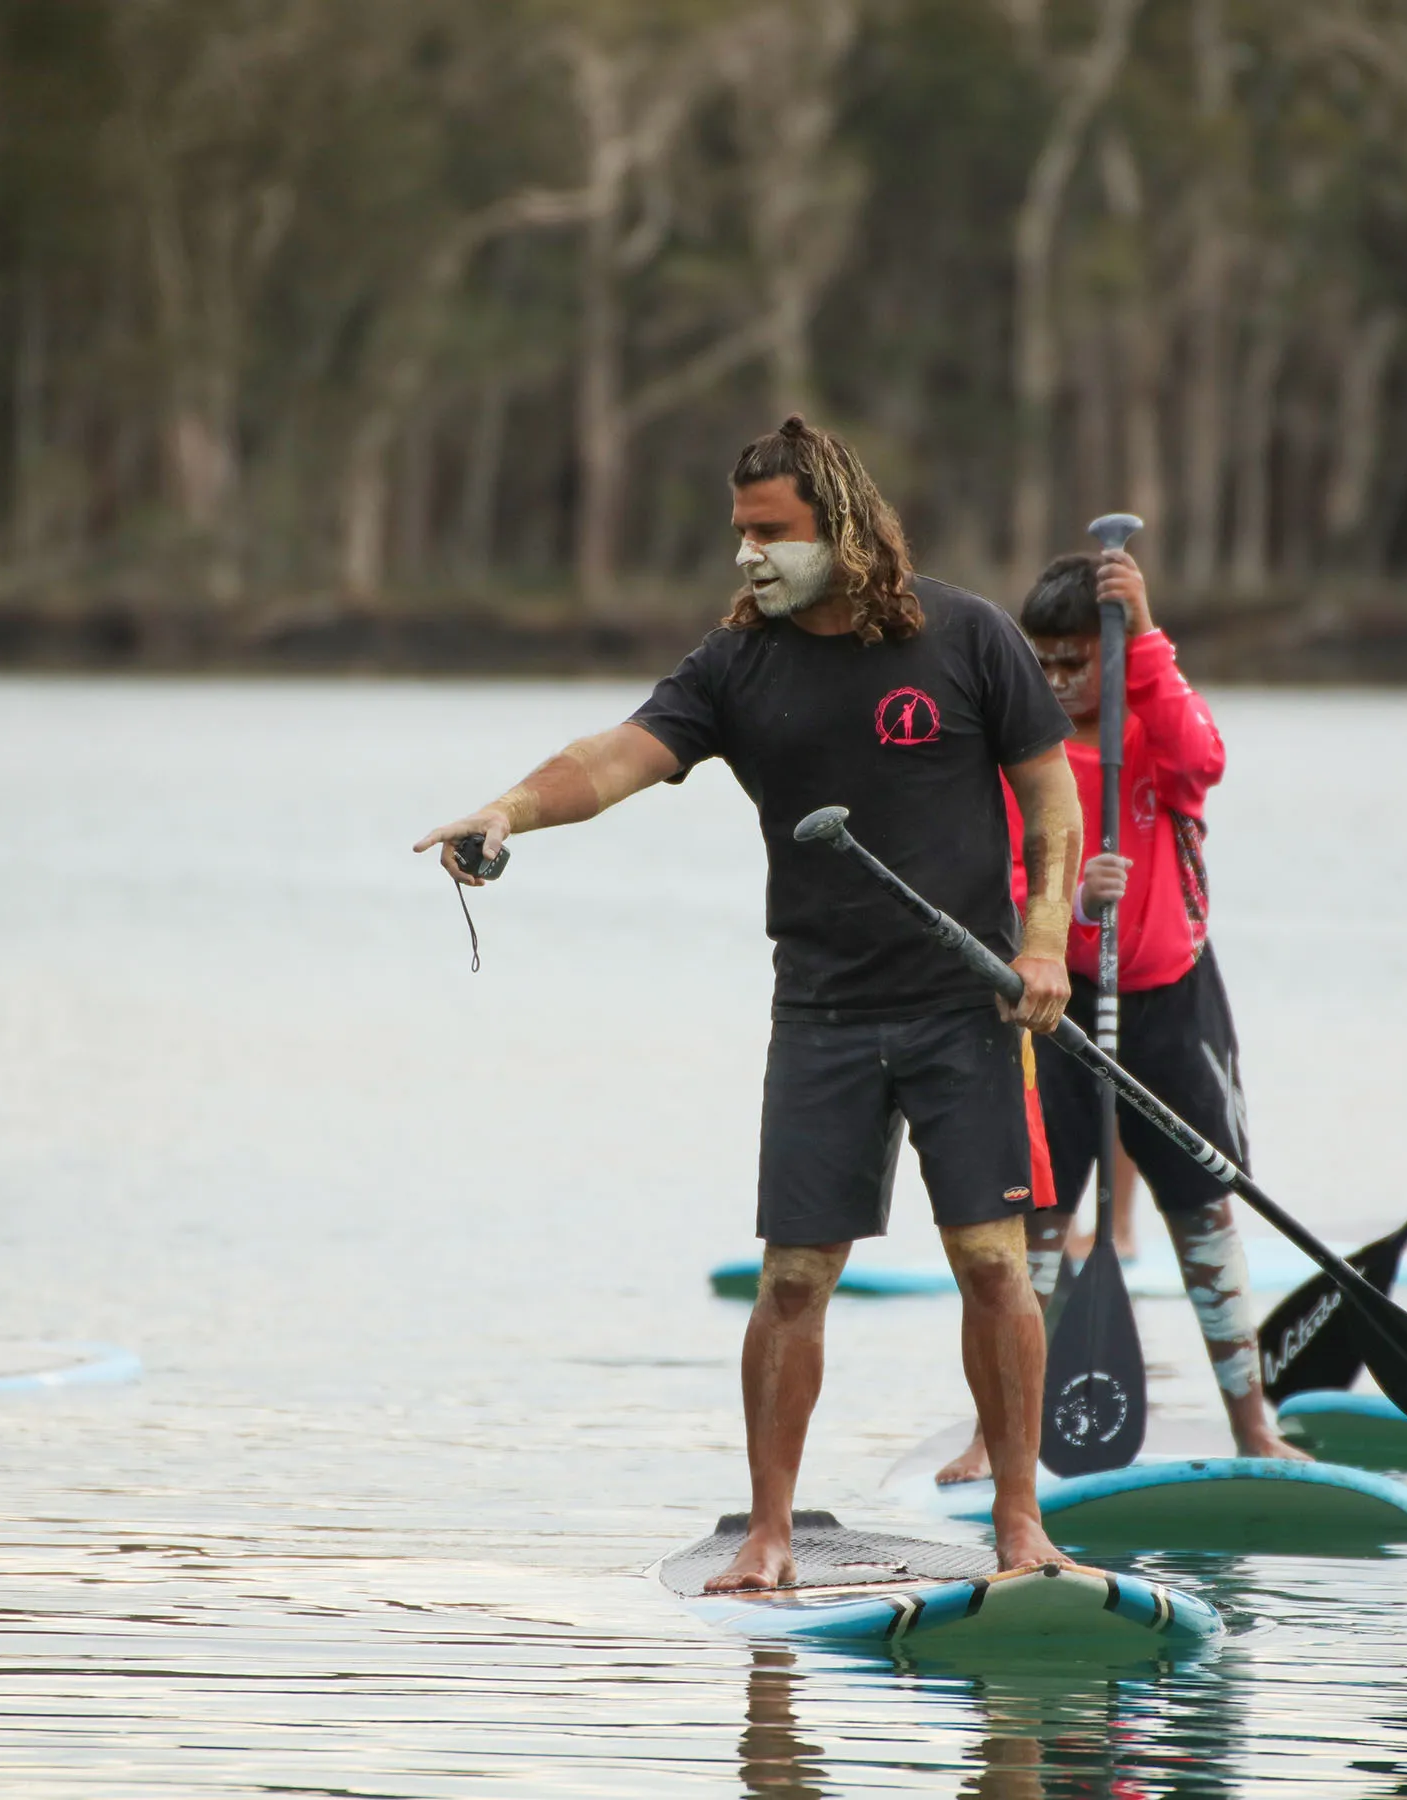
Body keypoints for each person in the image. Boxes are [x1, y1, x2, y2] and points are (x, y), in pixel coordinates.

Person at [416, 416, 1084, 1587]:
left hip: (964, 1011)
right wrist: (504, 811)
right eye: (739, 536)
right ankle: (769, 1533)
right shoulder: (738, 663)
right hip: (823, 1015)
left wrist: (1042, 947)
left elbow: (1051, 806)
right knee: (790, 1280)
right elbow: (615, 757)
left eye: (771, 535)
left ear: (840, 525)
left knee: (993, 1265)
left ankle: (1020, 1525)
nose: (750, 558)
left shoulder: (969, 635)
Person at [939, 547, 1305, 1484]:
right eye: (1044, 661)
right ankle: (996, 1434)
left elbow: (1204, 761)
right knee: (1035, 1225)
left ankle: (1251, 1424)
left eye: (1077, 660)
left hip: (1170, 1000)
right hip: (1055, 1006)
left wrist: (1142, 632)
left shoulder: (1153, 729)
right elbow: (1001, 880)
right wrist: (1060, 905)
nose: (1058, 681)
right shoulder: (1020, 751)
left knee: (1201, 1213)